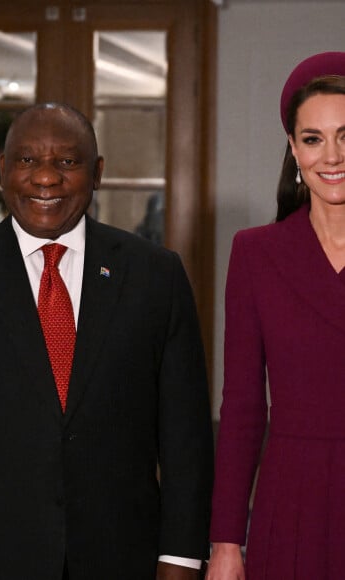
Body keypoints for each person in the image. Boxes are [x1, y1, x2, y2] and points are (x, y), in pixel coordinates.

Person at [0, 102, 213, 580]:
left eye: (67, 162)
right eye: (28, 160)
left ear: (97, 172)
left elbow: (187, 439)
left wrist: (179, 560)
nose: (46, 178)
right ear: (3, 169)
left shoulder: (155, 276)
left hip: (123, 557)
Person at [207, 52, 345, 580]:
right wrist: (225, 542)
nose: (330, 156)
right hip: (291, 499)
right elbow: (241, 407)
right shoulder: (256, 253)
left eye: (344, 135)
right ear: (293, 147)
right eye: (313, 138)